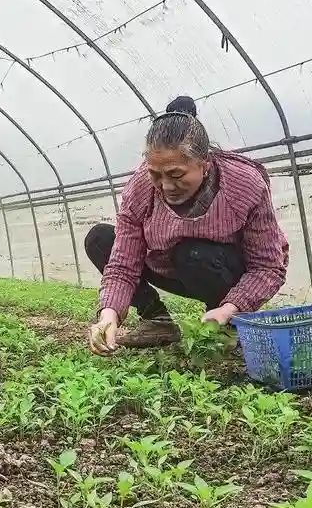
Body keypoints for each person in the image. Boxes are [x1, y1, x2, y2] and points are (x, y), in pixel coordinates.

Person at [86, 96, 289, 356]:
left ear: (204, 165)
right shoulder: (140, 189)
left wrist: (230, 308)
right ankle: (157, 320)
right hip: (171, 267)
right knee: (100, 239)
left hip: (224, 269)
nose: (166, 186)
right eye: (155, 174)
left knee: (192, 252)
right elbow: (123, 262)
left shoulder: (244, 184)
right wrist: (109, 314)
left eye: (176, 175)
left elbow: (267, 266)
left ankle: (225, 322)